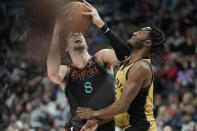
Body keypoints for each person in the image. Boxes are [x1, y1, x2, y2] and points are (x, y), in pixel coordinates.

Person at [76, 1, 166, 131]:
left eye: (141, 32)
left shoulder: (141, 67)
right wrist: (97, 122)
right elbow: (119, 109)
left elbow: (121, 106)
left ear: (147, 43)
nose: (135, 32)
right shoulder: (127, 63)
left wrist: (94, 114)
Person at [46, 13, 125, 130]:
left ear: (87, 44)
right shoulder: (66, 71)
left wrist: (100, 23)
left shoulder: (101, 58)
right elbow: (52, 72)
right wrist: (56, 33)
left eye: (80, 34)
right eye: (71, 35)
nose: (77, 34)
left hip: (106, 124)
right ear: (66, 48)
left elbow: (124, 55)